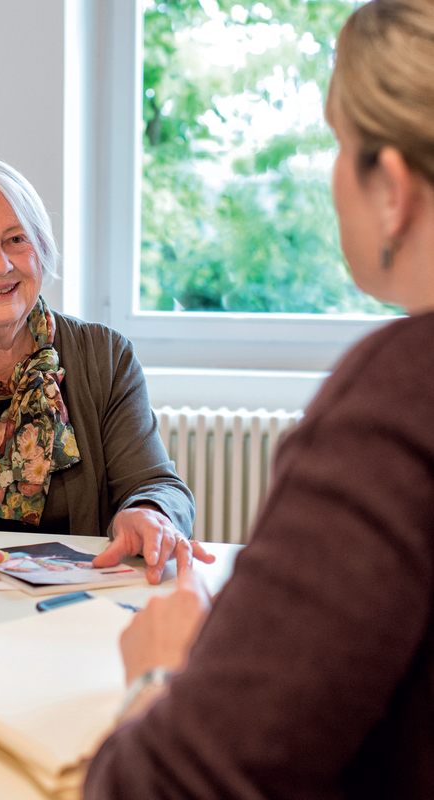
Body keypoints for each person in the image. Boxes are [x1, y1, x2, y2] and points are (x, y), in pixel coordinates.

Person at [84, 1, 434, 797]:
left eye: (340, 145)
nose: (3, 265)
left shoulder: (398, 394)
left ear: (395, 189)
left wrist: (158, 677)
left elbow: (173, 782)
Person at [0, 155, 213, 583]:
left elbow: (158, 486)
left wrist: (149, 516)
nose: (0, 264)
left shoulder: (104, 355)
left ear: (43, 249)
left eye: (16, 239)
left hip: (73, 617)